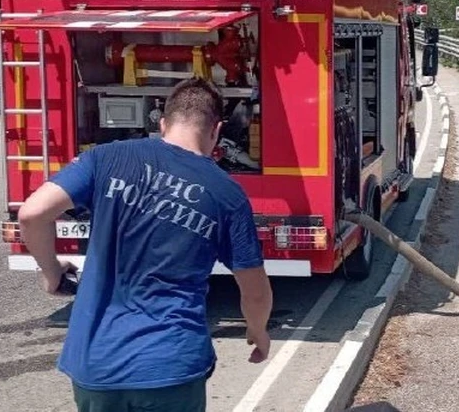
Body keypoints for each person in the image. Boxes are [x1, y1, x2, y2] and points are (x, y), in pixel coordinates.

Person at [18, 77, 273, 412]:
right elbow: (254, 289)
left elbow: (32, 214)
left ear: (164, 123)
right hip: (169, 367)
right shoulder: (226, 193)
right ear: (216, 129)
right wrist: (258, 331)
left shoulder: (105, 158)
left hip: (97, 362)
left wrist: (52, 272)